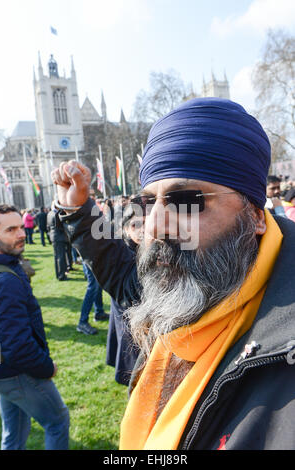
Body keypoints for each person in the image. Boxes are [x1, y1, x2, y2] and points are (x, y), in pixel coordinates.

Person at [51, 97, 295, 450]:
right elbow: (124, 277)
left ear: (256, 215)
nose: (155, 226)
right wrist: (77, 211)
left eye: (187, 201)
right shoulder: (192, 280)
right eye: (148, 202)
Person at [0, 204, 69, 450]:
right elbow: (16, 344)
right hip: (16, 372)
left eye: (20, 227)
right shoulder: (5, 281)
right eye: (11, 229)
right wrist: (47, 367)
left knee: (13, 436)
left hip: (2, 370)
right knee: (58, 422)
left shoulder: (6, 271)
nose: (21, 234)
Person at [106, 204, 143, 385]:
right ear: (126, 229)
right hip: (129, 322)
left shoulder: (148, 249)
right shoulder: (124, 255)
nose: (141, 230)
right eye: (135, 225)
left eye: (145, 224)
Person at [76, 262, 109, 335]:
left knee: (97, 284)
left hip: (94, 257)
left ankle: (99, 313)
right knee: (93, 287)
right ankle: (82, 322)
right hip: (90, 257)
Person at [47, 205, 69, 281]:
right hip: (58, 237)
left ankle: (59, 274)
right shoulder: (56, 214)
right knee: (60, 257)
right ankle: (61, 275)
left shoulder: (50, 213)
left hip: (54, 236)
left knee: (57, 257)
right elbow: (60, 227)